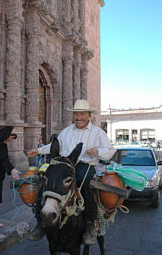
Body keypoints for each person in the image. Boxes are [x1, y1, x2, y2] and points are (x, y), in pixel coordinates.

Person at [27, 99, 115, 245]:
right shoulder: (67, 131)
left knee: (85, 183)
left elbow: (110, 150)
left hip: (84, 165)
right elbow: (55, 145)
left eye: (81, 114)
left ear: (88, 115)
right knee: (45, 182)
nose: (78, 117)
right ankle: (40, 222)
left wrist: (97, 151)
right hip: (66, 164)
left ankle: (89, 225)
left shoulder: (98, 132)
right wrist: (38, 150)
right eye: (76, 114)